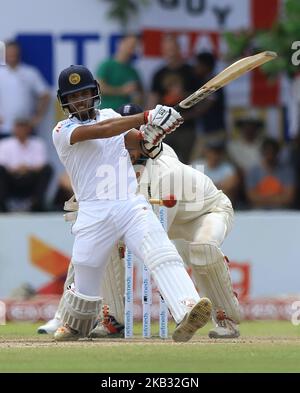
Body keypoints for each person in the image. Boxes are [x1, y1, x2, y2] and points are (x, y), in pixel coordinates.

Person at [40, 103, 240, 339]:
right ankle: (113, 319)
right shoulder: (115, 167)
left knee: (202, 250)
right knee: (103, 242)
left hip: (205, 212)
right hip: (169, 217)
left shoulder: (163, 169)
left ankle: (225, 320)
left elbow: (154, 242)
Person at [148, 34, 197, 163]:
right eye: (167, 48)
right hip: (164, 127)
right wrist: (151, 123)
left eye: (172, 48)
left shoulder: (191, 72)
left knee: (186, 164)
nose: (170, 52)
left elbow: (200, 97)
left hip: (186, 126)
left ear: (179, 49)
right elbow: (153, 99)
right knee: (163, 163)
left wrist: (183, 95)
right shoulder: (159, 73)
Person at [0, 118, 52, 211]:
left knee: (48, 169)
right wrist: (17, 169)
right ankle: (2, 204)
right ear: (14, 129)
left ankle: (37, 203)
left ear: (29, 129)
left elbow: (41, 164)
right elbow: (3, 164)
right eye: (19, 127)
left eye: (23, 127)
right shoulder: (5, 144)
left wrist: (26, 168)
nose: (21, 130)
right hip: (12, 179)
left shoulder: (38, 143)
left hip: (30, 178)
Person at [0, 41, 50, 138]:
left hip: (26, 128)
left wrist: (37, 117)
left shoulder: (30, 72)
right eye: (9, 52)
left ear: (19, 53)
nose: (12, 55)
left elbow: (45, 95)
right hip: (3, 129)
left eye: (14, 52)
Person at [96, 34, 143, 110]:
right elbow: (99, 88)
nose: (131, 48)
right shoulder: (106, 65)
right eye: (129, 44)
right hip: (107, 113)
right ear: (121, 44)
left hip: (126, 115)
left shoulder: (133, 71)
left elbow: (140, 95)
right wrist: (122, 90)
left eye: (134, 46)